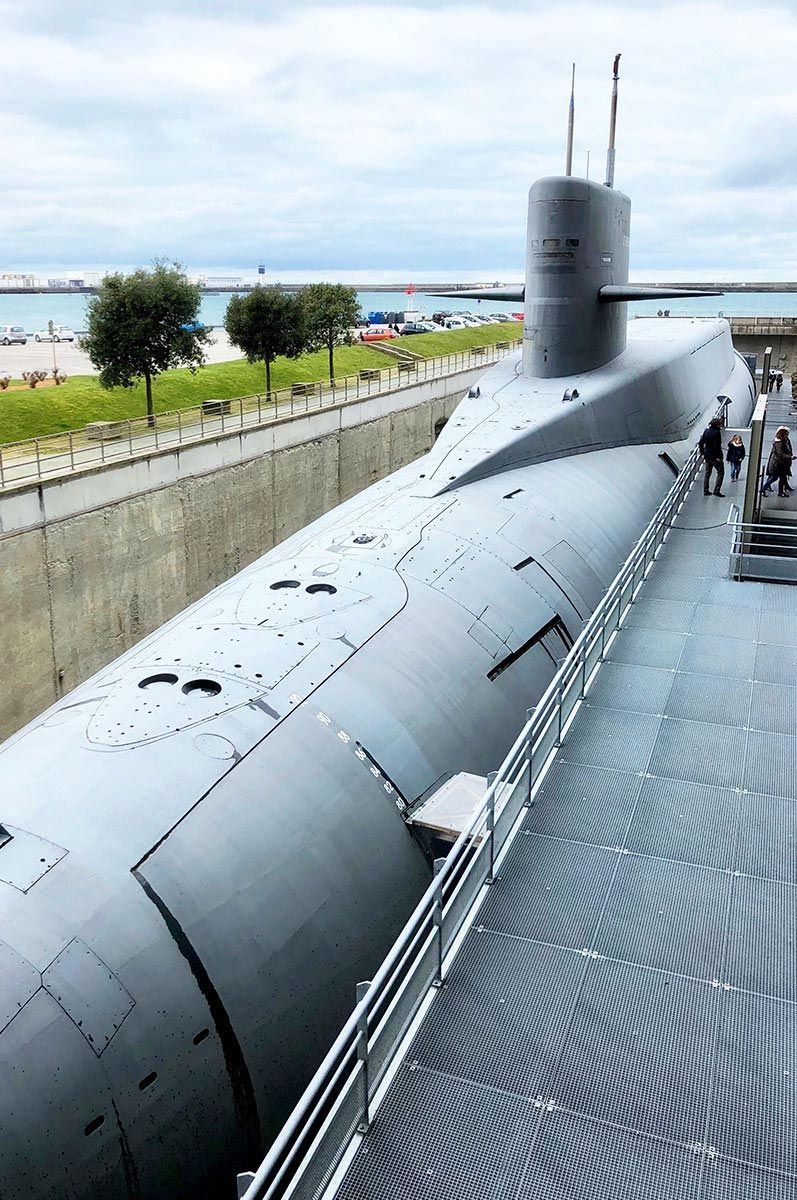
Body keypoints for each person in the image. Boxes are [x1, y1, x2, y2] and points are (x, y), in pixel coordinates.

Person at [762, 426, 794, 498]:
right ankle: (763, 489)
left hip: (780, 463)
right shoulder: (779, 443)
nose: (788, 434)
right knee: (775, 477)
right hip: (778, 464)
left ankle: (780, 491)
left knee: (781, 478)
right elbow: (780, 454)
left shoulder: (782, 441)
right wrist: (789, 457)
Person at [698, 416, 725, 497]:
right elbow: (717, 446)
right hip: (715, 457)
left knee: (707, 473)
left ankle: (706, 490)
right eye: (720, 424)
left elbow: (701, 443)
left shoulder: (706, 431)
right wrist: (719, 457)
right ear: (717, 424)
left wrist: (703, 452)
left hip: (707, 456)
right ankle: (716, 490)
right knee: (720, 472)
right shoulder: (717, 433)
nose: (721, 425)